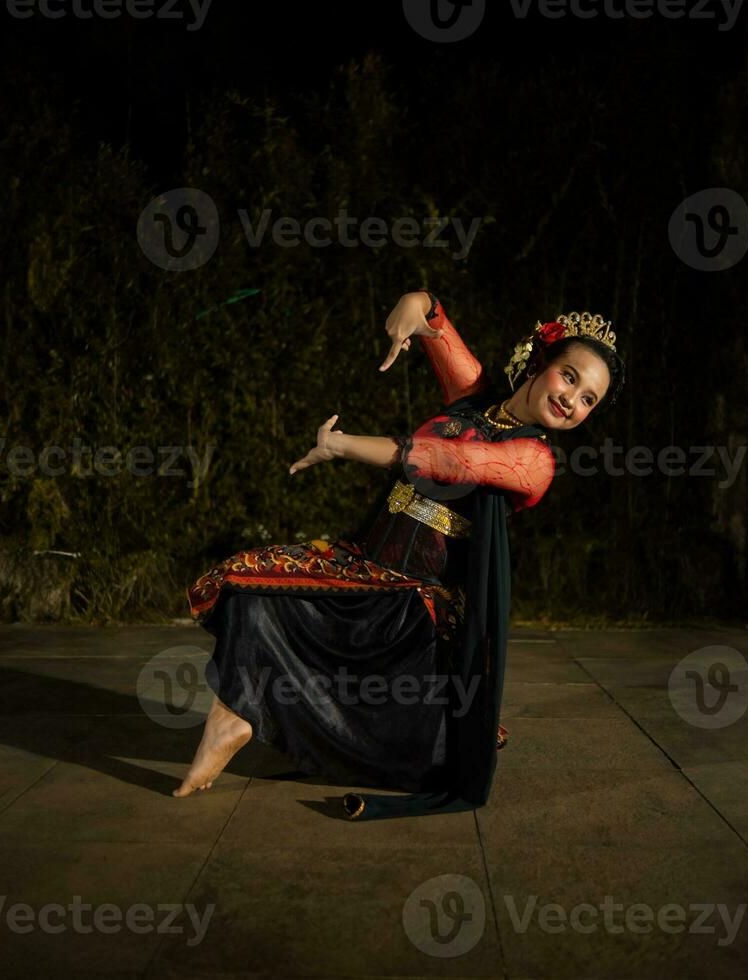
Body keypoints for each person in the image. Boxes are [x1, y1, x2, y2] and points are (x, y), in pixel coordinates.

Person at [178, 289, 624, 819]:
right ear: (542, 360)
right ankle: (234, 714)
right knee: (244, 586)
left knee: (410, 743)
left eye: (589, 399)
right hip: (363, 563)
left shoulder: (534, 461)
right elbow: (434, 319)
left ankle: (251, 716)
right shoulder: (475, 395)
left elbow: (447, 462)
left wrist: (342, 446)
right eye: (570, 377)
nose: (573, 400)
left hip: (412, 605)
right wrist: (416, 304)